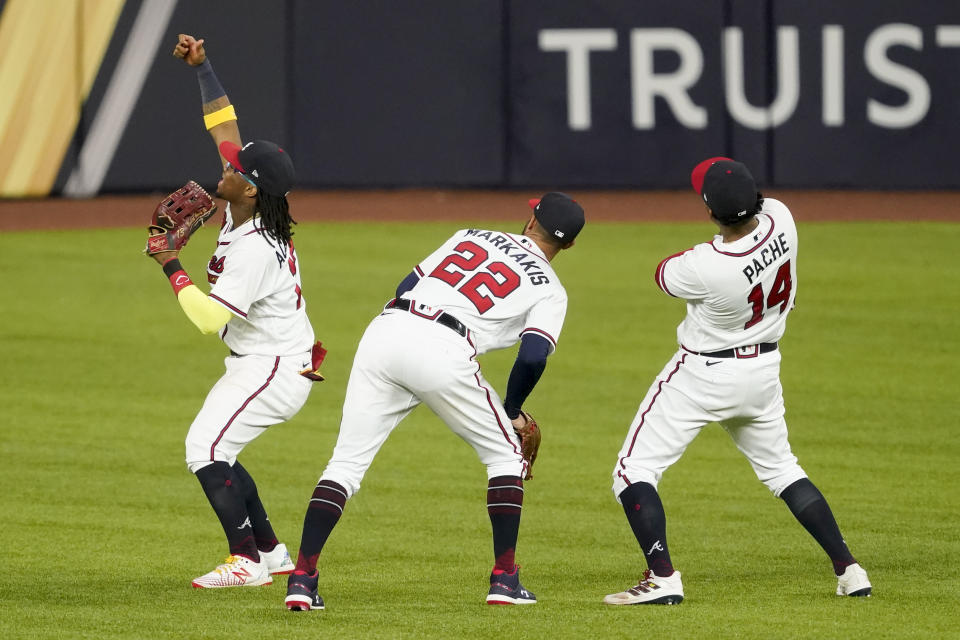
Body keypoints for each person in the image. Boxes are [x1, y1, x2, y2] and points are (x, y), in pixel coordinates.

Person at [283, 193, 585, 611]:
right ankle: (505, 580)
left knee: (345, 464)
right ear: (568, 245)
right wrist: (511, 410)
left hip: (387, 329)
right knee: (505, 457)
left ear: (530, 218)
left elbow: (406, 286)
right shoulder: (551, 289)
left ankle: (301, 580)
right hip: (444, 348)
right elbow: (534, 353)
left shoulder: (471, 234)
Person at [603, 157, 871, 605]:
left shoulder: (706, 265)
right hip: (763, 372)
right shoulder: (782, 217)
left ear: (709, 212)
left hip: (703, 374)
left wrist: (709, 243)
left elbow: (662, 274)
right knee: (784, 470)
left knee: (632, 472)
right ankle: (850, 569)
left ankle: (663, 578)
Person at [147, 34, 324, 588]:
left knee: (205, 446)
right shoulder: (245, 205)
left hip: (272, 366)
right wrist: (203, 68)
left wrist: (171, 263)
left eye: (234, 171)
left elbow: (207, 320)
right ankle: (271, 552)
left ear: (249, 190)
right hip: (270, 357)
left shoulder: (254, 249)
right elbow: (225, 129)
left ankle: (244, 560)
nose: (223, 170)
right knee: (221, 446)